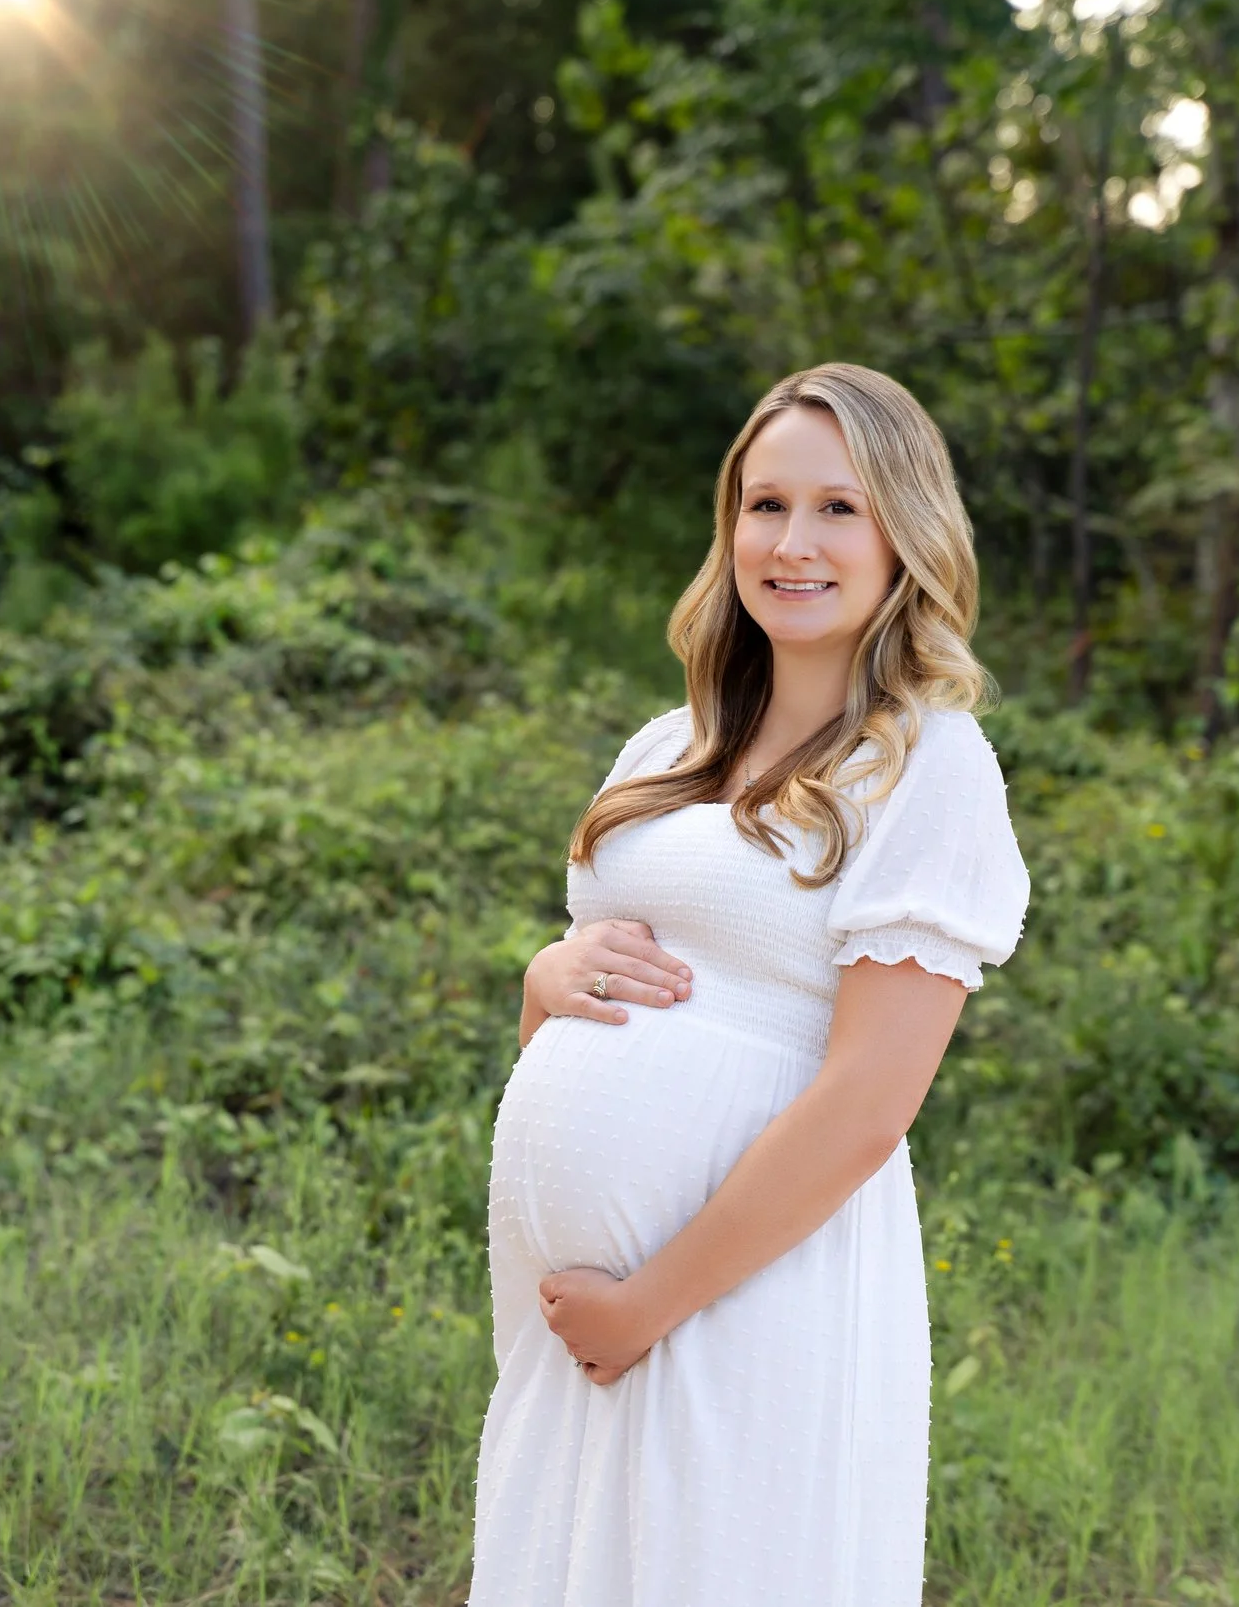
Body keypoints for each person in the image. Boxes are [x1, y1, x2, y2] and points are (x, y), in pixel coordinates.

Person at [469, 363, 1031, 1606]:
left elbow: (869, 1101)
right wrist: (545, 975)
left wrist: (645, 1305)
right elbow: (576, 1016)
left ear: (904, 533)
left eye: (837, 508)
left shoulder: (929, 763)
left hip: (739, 1294)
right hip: (579, 1325)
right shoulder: (664, 746)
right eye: (764, 504)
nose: (791, 542)